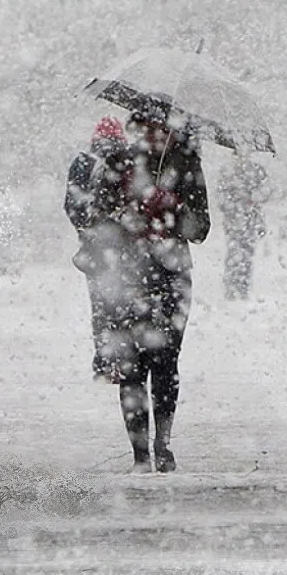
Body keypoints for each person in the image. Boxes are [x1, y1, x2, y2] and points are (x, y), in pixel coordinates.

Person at [72, 110, 211, 473]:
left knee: (166, 365)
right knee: (132, 367)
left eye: (160, 127)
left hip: (170, 276)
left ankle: (163, 445)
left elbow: (201, 228)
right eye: (145, 126)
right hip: (128, 276)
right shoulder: (119, 163)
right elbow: (94, 218)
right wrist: (128, 213)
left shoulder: (185, 164)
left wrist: (172, 207)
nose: (152, 134)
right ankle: (139, 454)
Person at [64, 116, 133, 384]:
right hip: (125, 248)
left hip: (94, 249)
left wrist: (86, 228)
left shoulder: (83, 164)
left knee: (101, 306)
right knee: (123, 305)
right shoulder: (127, 163)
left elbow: (71, 205)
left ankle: (104, 361)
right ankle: (120, 359)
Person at [216, 154, 270, 300]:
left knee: (247, 252)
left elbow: (265, 193)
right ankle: (232, 285)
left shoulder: (257, 171)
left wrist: (252, 197)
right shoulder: (228, 172)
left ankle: (243, 285)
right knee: (234, 251)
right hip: (234, 220)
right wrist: (233, 201)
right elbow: (221, 198)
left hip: (249, 220)